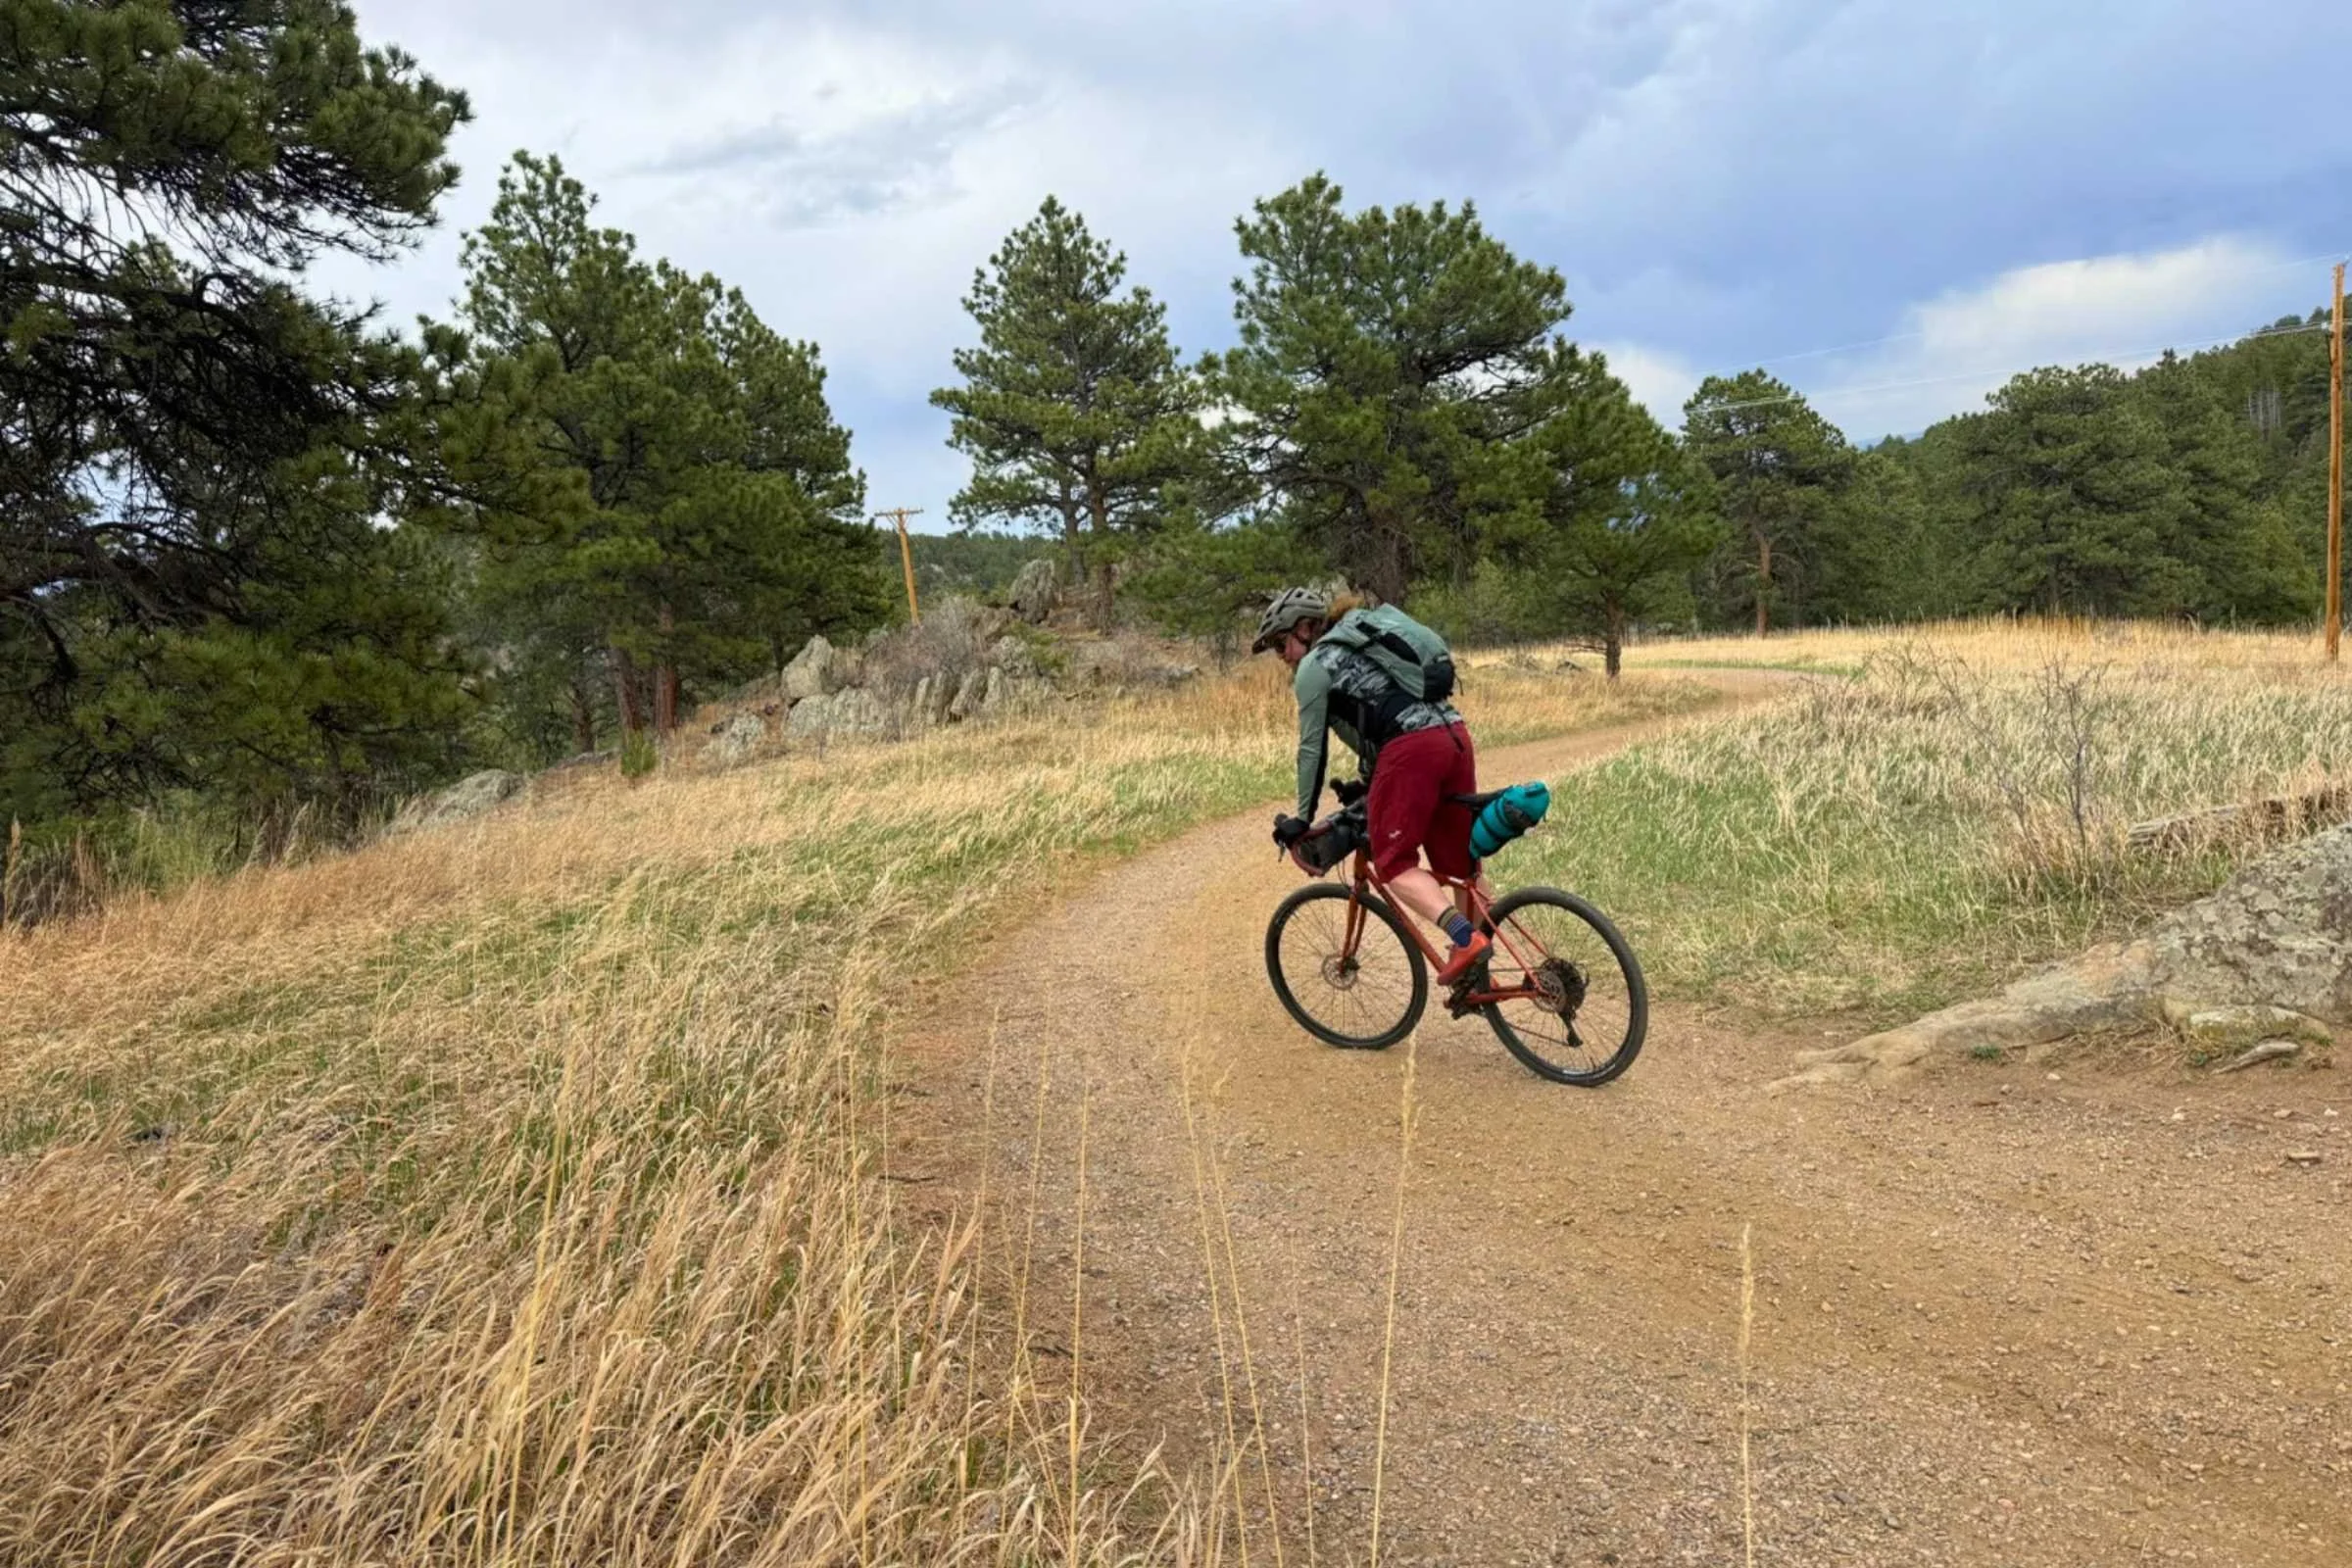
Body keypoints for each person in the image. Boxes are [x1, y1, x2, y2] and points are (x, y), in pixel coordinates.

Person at [1252, 587, 1492, 985]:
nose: (1283, 657)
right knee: (1461, 867)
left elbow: (1312, 749)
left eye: (1282, 643)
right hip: (1454, 737)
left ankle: (1466, 942)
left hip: (1412, 750)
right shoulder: (1363, 640)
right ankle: (1483, 968)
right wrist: (1372, 781)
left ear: (1306, 628)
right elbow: (1378, 713)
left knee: (1393, 864)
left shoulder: (1316, 664)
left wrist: (1301, 817)